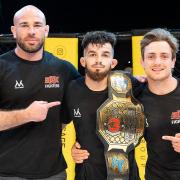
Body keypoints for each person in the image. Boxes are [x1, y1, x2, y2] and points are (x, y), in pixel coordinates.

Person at [0, 5, 80, 180]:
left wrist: (138, 82)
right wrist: (26, 115)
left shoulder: (64, 69)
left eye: (37, 25)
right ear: (13, 31)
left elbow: (92, 94)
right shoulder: (2, 67)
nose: (31, 31)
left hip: (54, 173)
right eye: (24, 25)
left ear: (46, 30)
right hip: (7, 173)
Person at [64, 31, 141, 180]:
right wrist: (73, 149)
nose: (98, 60)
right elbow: (59, 125)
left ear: (113, 62)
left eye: (105, 54)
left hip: (124, 173)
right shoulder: (72, 89)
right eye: (92, 54)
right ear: (82, 61)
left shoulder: (129, 84)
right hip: (87, 172)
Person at [138, 28, 180, 180]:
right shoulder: (135, 96)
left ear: (173, 61)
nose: (157, 62)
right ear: (142, 62)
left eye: (164, 56)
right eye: (151, 56)